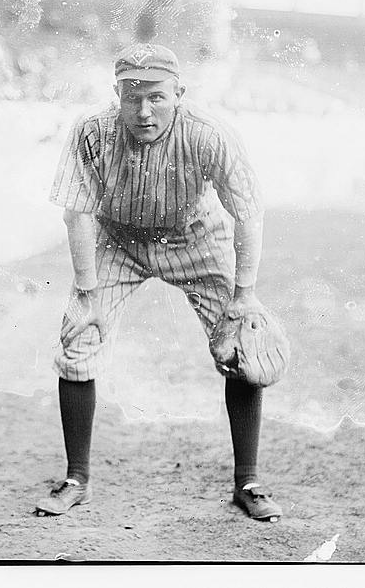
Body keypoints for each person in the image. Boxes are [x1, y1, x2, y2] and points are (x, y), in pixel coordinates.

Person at [37, 43, 282, 521]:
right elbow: (78, 214)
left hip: (194, 235)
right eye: (131, 97)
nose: (143, 110)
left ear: (179, 94)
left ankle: (247, 482)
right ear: (117, 95)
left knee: (241, 346)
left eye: (156, 97)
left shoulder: (208, 134)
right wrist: (86, 294)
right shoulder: (93, 130)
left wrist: (245, 295)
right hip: (117, 239)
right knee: (78, 340)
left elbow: (249, 215)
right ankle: (76, 478)